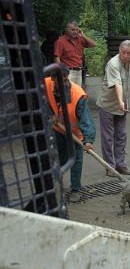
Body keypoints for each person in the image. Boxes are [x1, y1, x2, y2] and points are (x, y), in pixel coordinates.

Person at [45, 64, 96, 202]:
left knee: (76, 160)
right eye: (58, 81)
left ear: (67, 77)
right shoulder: (46, 84)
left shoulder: (77, 95)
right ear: (53, 78)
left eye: (65, 80)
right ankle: (55, 184)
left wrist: (88, 140)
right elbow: (39, 101)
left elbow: (86, 120)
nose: (62, 84)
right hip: (58, 129)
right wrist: (50, 115)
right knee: (57, 158)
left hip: (75, 133)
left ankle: (75, 189)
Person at [96, 40, 130, 176]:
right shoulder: (113, 64)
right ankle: (110, 166)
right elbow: (118, 84)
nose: (126, 56)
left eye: (129, 53)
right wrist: (120, 101)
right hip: (108, 105)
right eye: (123, 53)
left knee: (121, 135)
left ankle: (120, 165)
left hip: (122, 106)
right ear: (119, 51)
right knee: (108, 137)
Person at [54, 21, 96, 87]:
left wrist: (83, 35)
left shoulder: (80, 39)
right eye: (73, 30)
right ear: (66, 30)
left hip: (79, 72)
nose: (75, 32)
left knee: (77, 94)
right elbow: (57, 57)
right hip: (68, 72)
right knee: (68, 93)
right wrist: (61, 72)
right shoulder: (61, 41)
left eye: (77, 30)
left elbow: (93, 44)